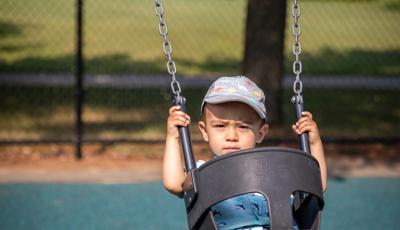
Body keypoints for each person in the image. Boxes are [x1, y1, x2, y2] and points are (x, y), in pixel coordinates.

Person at [163, 76, 327, 229]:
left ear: (261, 133)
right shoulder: (202, 172)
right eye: (220, 126)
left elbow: (317, 184)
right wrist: (173, 137)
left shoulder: (280, 171)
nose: (232, 136)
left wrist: (314, 142)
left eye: (243, 127)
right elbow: (174, 183)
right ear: (204, 131)